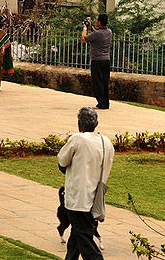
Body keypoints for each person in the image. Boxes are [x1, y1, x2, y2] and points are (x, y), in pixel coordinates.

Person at [57, 107, 114, 260]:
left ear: (79, 123)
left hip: (78, 199)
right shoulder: (106, 141)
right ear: (96, 123)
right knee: (76, 237)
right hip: (95, 199)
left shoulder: (77, 139)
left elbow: (62, 161)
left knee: (85, 240)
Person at [81, 14, 112, 110]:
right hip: (106, 60)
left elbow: (84, 39)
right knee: (104, 82)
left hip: (97, 61)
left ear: (99, 22)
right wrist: (91, 27)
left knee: (97, 83)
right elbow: (97, 34)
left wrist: (85, 28)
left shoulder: (98, 34)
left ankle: (101, 103)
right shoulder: (109, 32)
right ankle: (105, 103)